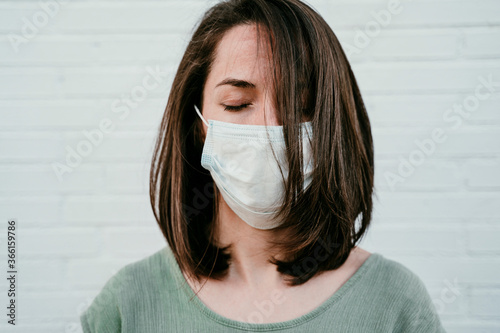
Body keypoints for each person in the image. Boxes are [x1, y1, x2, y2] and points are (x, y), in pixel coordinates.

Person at [80, 0, 447, 332]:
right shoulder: (127, 304)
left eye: (301, 108)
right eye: (238, 104)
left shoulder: (395, 304)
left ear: (333, 125)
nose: (270, 130)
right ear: (198, 126)